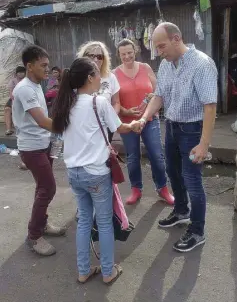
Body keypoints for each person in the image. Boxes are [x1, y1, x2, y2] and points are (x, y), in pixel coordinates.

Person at [132, 22, 217, 252]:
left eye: (161, 46)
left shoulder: (201, 64)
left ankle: (198, 231)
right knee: (173, 173)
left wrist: (203, 144)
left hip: (193, 130)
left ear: (176, 39)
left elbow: (210, 107)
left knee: (192, 180)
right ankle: (181, 211)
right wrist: (144, 117)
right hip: (171, 126)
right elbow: (159, 96)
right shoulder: (166, 66)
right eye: (157, 48)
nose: (159, 52)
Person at [52, 57, 136, 284]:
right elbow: (120, 128)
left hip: (74, 174)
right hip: (97, 173)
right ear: (90, 78)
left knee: (85, 221)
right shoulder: (98, 102)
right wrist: (136, 124)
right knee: (105, 222)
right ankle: (108, 272)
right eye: (98, 74)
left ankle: (83, 270)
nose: (101, 78)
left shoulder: (65, 105)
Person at [12, 45, 66, 257]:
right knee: (48, 188)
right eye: (43, 65)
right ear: (29, 65)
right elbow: (42, 121)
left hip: (43, 145)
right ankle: (34, 236)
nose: (47, 69)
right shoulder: (25, 88)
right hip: (31, 148)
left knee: (42, 188)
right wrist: (68, 128)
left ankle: (41, 224)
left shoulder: (36, 85)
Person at [114, 38, 174, 206]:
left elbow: (158, 89)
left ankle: (162, 188)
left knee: (156, 154)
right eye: (123, 54)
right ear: (119, 55)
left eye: (130, 53)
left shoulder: (145, 68)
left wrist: (151, 95)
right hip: (128, 122)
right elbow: (115, 101)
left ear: (135, 52)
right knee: (132, 157)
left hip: (149, 119)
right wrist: (126, 111)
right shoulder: (114, 74)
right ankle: (136, 189)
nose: (127, 56)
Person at [77, 41, 120, 142]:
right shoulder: (77, 77)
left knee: (104, 154)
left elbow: (116, 102)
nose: (96, 59)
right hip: (84, 127)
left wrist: (111, 118)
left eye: (100, 56)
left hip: (105, 126)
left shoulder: (111, 77)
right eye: (91, 56)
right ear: (84, 57)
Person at [4, 66, 26, 136]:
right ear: (16, 73)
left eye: (22, 72)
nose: (20, 74)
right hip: (14, 99)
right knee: (7, 109)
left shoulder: (27, 80)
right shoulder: (13, 80)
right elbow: (11, 93)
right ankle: (8, 129)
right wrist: (13, 99)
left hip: (24, 99)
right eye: (19, 72)